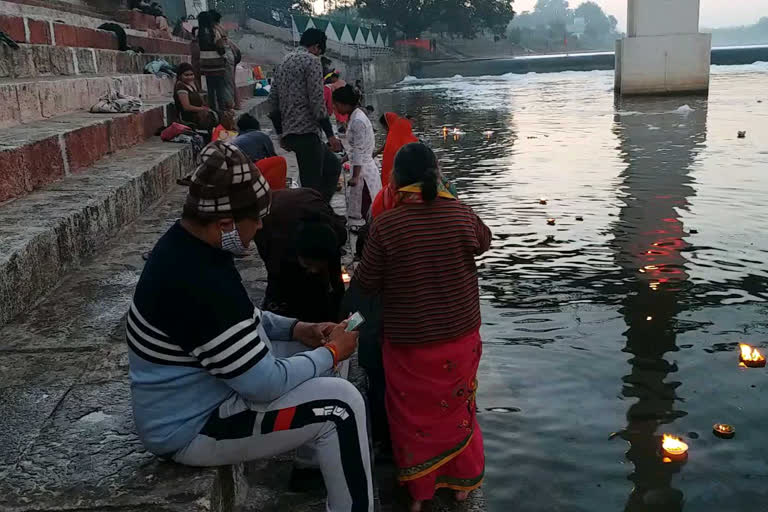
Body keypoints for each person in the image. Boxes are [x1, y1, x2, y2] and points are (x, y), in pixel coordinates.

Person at [127, 140, 373, 512]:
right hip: (191, 427)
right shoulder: (197, 280)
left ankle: (313, 460)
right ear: (225, 223)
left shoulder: (192, 249)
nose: (259, 226)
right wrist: (332, 351)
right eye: (255, 219)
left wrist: (297, 329)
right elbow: (264, 384)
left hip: (203, 393)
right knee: (343, 405)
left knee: (321, 354)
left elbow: (243, 319)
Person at [354, 143, 491, 512]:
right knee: (460, 408)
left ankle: (420, 492)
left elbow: (364, 284)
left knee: (413, 417)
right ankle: (462, 484)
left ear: (395, 180)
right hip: (461, 337)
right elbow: (484, 241)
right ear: (438, 174)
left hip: (410, 344)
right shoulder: (460, 213)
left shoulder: (386, 225)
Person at [268, 29, 343, 203]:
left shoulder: (283, 62)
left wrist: (280, 134)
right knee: (311, 188)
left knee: (332, 166)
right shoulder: (312, 61)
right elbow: (317, 102)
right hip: (307, 133)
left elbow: (272, 102)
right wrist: (330, 136)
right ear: (317, 47)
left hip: (291, 133)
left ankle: (323, 211)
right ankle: (310, 218)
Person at [255, 188, 347, 323]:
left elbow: (335, 275)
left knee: (322, 290)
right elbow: (276, 275)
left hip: (310, 201)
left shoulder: (335, 234)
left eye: (319, 265)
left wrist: (338, 313)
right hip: (272, 213)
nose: (313, 270)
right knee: (284, 285)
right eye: (309, 265)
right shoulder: (275, 243)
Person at [332, 84, 381, 228]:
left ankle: (363, 229)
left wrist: (355, 176)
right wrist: (344, 159)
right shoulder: (355, 116)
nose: (335, 108)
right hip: (360, 165)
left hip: (363, 170)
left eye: (336, 105)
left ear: (345, 104)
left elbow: (359, 150)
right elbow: (356, 148)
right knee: (360, 203)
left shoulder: (358, 121)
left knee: (363, 205)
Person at [233, 114, 287, 191]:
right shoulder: (260, 135)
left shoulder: (236, 138)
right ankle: (277, 191)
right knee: (279, 160)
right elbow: (272, 156)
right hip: (248, 171)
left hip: (235, 174)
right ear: (257, 126)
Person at [197, 11, 230, 113]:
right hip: (217, 64)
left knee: (210, 90)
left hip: (206, 64)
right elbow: (220, 48)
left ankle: (213, 112)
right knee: (220, 89)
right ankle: (222, 111)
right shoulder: (214, 31)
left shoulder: (199, 32)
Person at [174, 62, 216, 130]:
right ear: (180, 76)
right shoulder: (180, 86)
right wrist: (202, 109)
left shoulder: (194, 83)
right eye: (186, 75)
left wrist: (205, 107)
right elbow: (186, 107)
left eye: (191, 74)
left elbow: (200, 99)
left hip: (199, 113)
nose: (189, 77)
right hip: (188, 117)